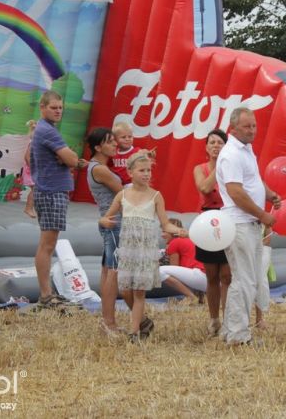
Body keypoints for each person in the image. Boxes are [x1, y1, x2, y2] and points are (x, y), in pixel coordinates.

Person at [100, 153, 187, 342]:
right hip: (128, 249)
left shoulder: (156, 196)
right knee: (125, 290)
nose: (146, 174)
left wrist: (179, 231)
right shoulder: (122, 195)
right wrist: (105, 221)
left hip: (145, 249)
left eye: (149, 170)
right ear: (130, 172)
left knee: (139, 291)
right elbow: (106, 217)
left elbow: (165, 224)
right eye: (142, 170)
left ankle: (134, 333)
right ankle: (143, 322)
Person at [216, 107, 280, 345]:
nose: (252, 130)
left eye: (254, 125)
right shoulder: (231, 153)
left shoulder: (245, 151)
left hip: (248, 222)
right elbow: (236, 192)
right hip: (240, 222)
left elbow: (252, 180)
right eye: (247, 126)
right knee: (244, 279)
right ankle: (237, 333)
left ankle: (232, 329)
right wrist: (262, 214)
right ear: (233, 127)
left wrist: (269, 193)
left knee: (248, 279)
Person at [31, 90, 88, 309]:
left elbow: (31, 157)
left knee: (48, 244)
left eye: (60, 107)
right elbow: (73, 160)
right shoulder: (48, 131)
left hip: (48, 189)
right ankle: (46, 295)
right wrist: (70, 159)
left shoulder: (43, 129)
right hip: (51, 191)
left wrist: (67, 158)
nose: (58, 111)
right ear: (43, 107)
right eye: (53, 107)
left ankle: (46, 294)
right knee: (47, 245)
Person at [86, 127, 126, 336]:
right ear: (98, 147)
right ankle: (108, 322)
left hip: (110, 221)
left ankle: (107, 321)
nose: (114, 145)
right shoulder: (100, 169)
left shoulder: (97, 167)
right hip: (113, 222)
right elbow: (123, 193)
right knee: (113, 272)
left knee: (107, 271)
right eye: (110, 142)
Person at [192, 129, 232, 336]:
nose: (216, 145)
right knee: (211, 275)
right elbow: (205, 189)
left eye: (220, 142)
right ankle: (213, 319)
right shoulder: (199, 168)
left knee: (227, 274)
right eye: (212, 143)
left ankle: (228, 320)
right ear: (206, 148)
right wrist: (219, 167)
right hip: (208, 222)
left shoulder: (233, 167)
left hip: (228, 219)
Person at [159, 218, 206, 302]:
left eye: (164, 232)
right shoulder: (189, 240)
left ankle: (191, 297)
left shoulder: (175, 243)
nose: (161, 235)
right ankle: (198, 296)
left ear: (172, 232)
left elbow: (174, 268)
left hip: (200, 277)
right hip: (209, 279)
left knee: (159, 271)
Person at [22, 119, 37, 218]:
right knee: (35, 189)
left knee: (37, 190)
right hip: (31, 170)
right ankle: (28, 208)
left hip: (33, 169)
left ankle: (31, 207)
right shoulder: (33, 144)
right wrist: (32, 168)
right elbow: (26, 157)